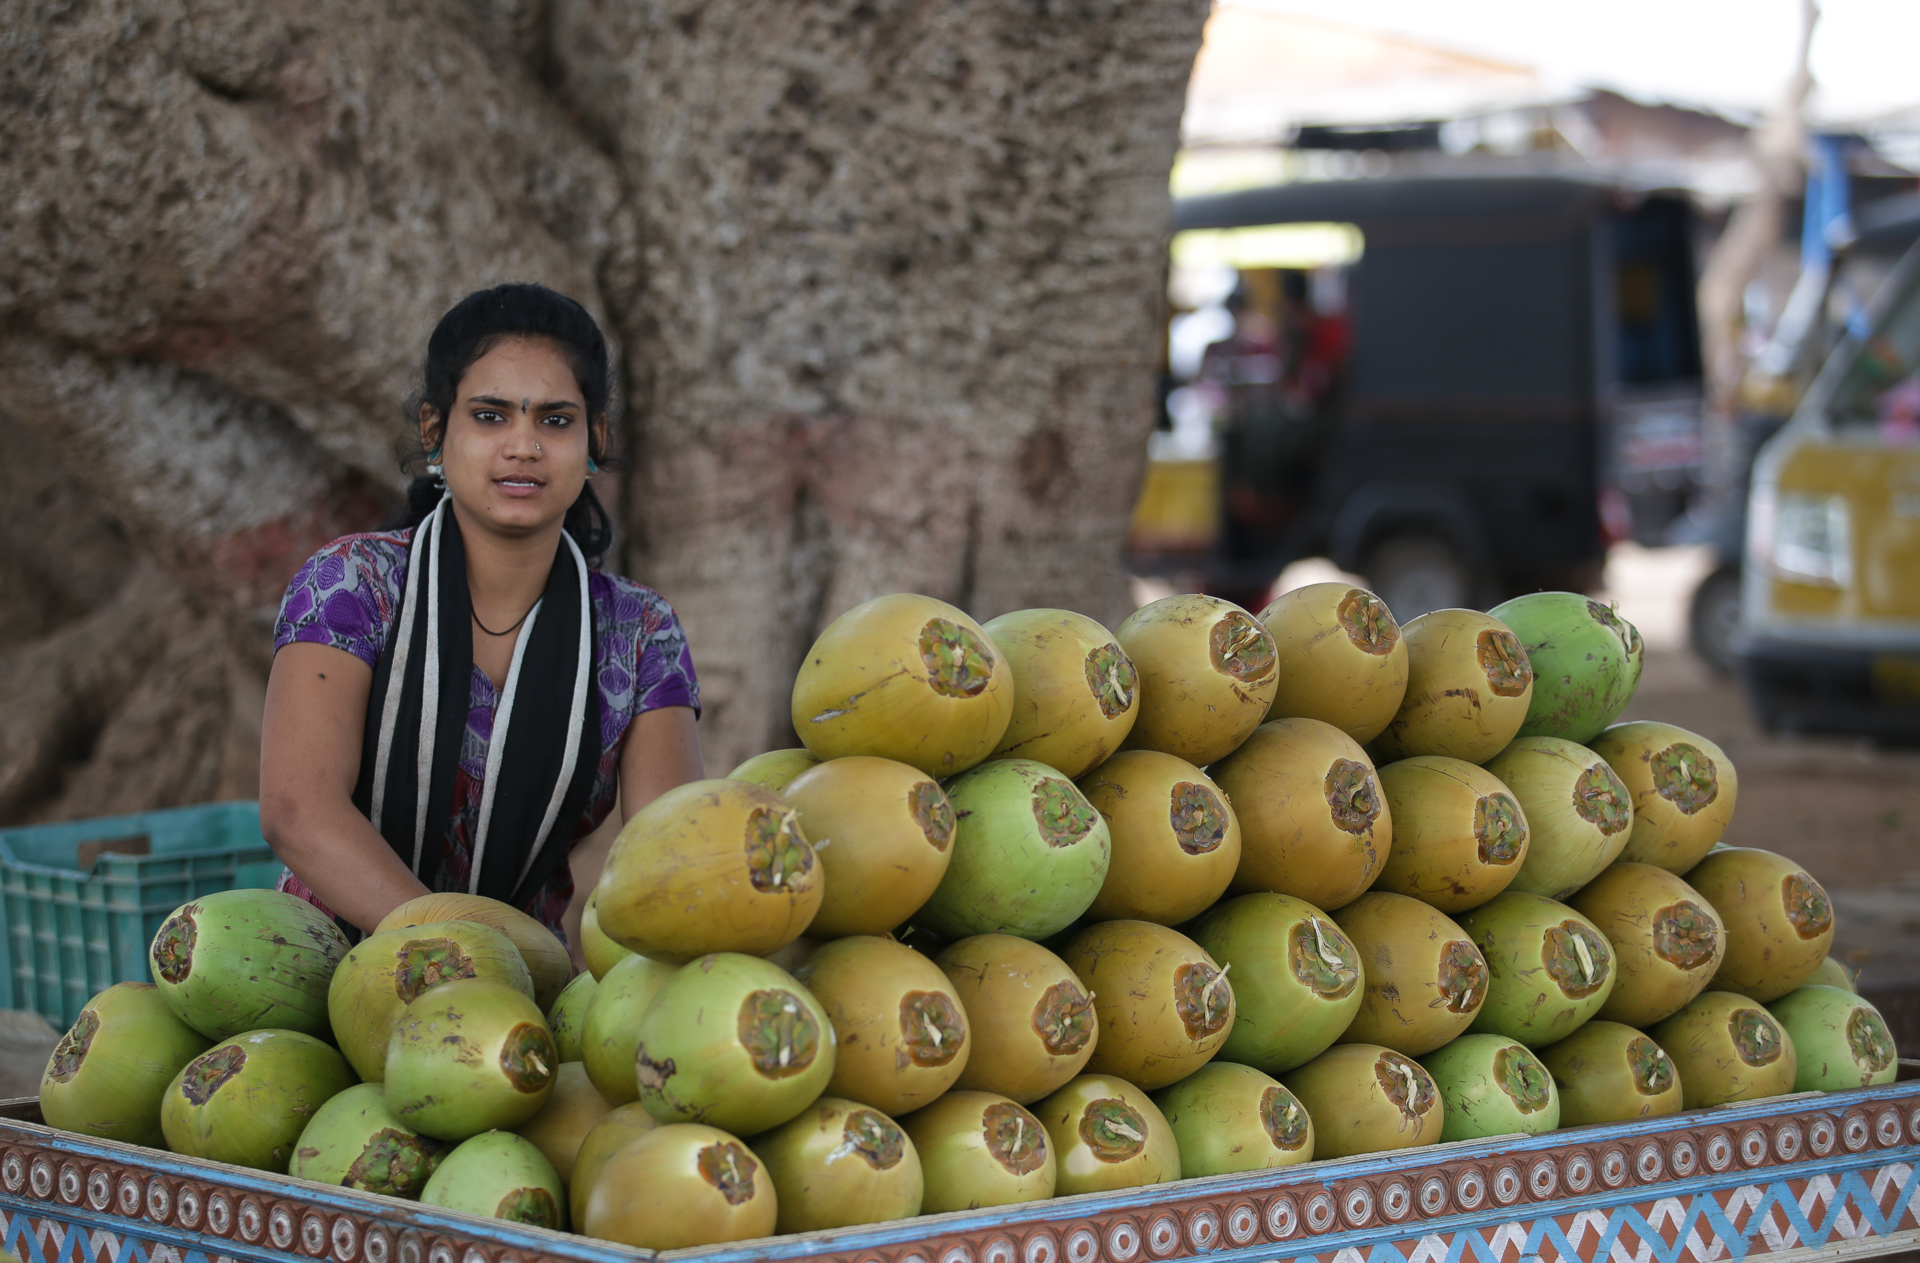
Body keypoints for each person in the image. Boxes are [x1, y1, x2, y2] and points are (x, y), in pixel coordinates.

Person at [259, 284, 704, 958]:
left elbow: (666, 858)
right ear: (438, 433)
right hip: (319, 976)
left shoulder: (640, 635)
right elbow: (297, 809)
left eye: (555, 421)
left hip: (519, 1014)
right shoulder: (352, 585)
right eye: (491, 416)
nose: (523, 446)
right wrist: (456, 950)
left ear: (595, 440)